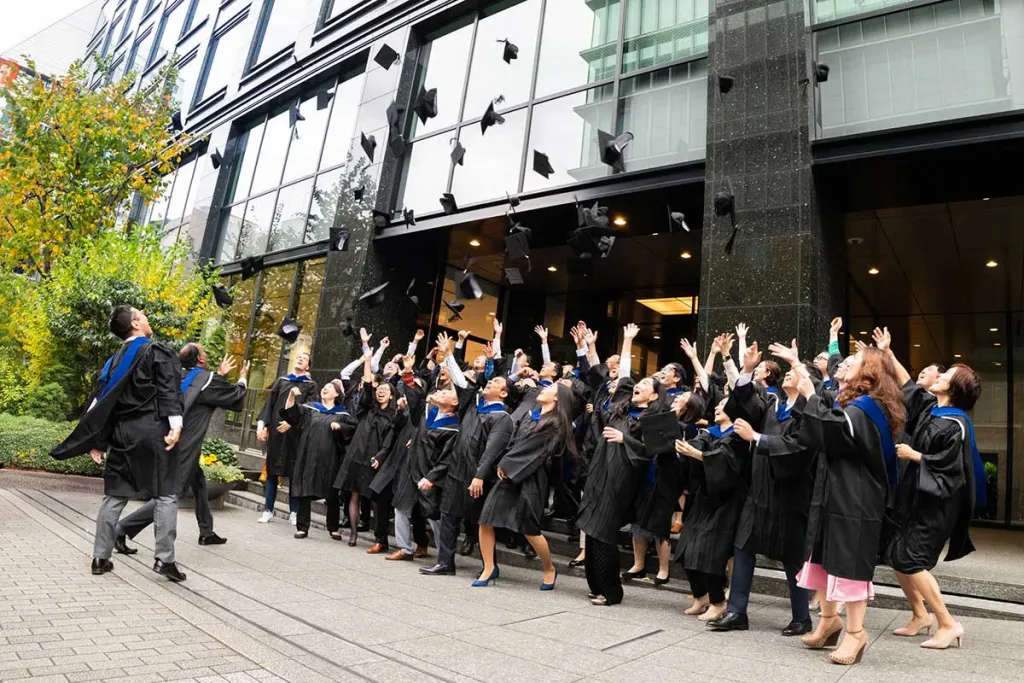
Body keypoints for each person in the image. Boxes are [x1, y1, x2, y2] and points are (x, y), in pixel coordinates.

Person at [791, 342, 905, 666]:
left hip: (856, 498)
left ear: (869, 372)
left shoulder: (867, 408)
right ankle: (829, 620)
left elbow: (831, 431)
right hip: (835, 492)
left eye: (855, 359)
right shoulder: (855, 402)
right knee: (825, 555)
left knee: (849, 562)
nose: (847, 362)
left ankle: (855, 633)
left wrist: (811, 394)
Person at [51, 305, 185, 581]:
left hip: (122, 435)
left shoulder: (113, 362)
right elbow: (168, 387)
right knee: (166, 493)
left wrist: (97, 442)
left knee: (114, 496)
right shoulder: (154, 350)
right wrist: (176, 424)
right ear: (135, 323)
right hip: (153, 432)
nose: (147, 318)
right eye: (142, 315)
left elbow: (100, 403)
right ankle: (164, 559)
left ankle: (101, 557)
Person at [877, 327, 976, 650]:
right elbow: (909, 386)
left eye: (946, 373)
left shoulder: (956, 423)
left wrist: (915, 455)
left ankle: (948, 623)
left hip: (938, 506)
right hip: (916, 499)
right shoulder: (933, 409)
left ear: (955, 388)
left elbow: (952, 468)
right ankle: (921, 616)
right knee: (896, 555)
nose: (939, 374)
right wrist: (889, 353)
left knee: (911, 559)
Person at [707, 339, 816, 635]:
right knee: (743, 546)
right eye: (792, 371)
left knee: (793, 558)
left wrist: (756, 438)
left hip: (789, 493)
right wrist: (747, 368)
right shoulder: (773, 402)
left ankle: (801, 617)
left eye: (799, 372)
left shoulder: (808, 413)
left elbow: (798, 447)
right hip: (759, 490)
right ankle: (737, 612)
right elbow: (745, 402)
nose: (793, 374)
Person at [116, 344, 249, 552]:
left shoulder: (180, 377)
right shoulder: (208, 380)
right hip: (185, 446)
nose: (206, 354)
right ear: (201, 360)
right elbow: (235, 398)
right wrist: (242, 378)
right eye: (204, 352)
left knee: (199, 482)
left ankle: (206, 532)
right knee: (171, 495)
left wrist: (220, 375)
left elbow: (205, 392)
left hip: (169, 438)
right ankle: (122, 529)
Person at [475, 380, 578, 589]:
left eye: (549, 388)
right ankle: (489, 567)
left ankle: (549, 567)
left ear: (557, 398)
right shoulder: (530, 415)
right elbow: (513, 441)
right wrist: (503, 462)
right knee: (486, 519)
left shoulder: (557, 423)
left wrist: (507, 463)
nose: (543, 389)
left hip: (532, 477)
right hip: (509, 471)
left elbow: (535, 450)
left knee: (529, 528)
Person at [422, 346, 514, 576]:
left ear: (503, 394)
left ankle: (490, 566)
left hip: (477, 477)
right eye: (489, 382)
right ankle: (445, 562)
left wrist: (480, 475)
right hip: (455, 472)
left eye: (494, 384)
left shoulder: (502, 418)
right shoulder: (473, 406)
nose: (489, 384)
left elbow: (492, 451)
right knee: (448, 516)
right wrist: (449, 355)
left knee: (480, 523)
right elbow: (461, 383)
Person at [387, 381, 461, 561]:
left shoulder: (453, 427)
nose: (442, 393)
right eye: (441, 392)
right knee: (401, 508)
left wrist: (432, 477)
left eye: (447, 393)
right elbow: (415, 401)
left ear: (455, 403)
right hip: (412, 469)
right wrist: (409, 376)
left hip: (430, 474)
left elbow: (447, 459)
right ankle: (405, 548)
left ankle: (445, 555)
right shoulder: (428, 412)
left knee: (434, 516)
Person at [335, 342, 397, 546]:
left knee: (375, 498)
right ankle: (353, 533)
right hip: (357, 454)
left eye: (386, 390)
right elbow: (369, 383)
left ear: (392, 395)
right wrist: (368, 361)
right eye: (380, 389)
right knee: (354, 495)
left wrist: (380, 458)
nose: (381, 392)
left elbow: (390, 441)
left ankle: (379, 538)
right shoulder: (366, 408)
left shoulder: (393, 416)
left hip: (375, 458)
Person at [282, 379, 357, 539]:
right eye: (324, 386)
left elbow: (352, 430)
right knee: (305, 491)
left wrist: (341, 427)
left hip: (330, 459)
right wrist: (291, 397)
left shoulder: (342, 414)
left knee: (332, 494)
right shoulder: (310, 409)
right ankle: (302, 527)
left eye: (330, 388)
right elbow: (293, 415)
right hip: (308, 456)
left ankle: (333, 528)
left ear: (337, 394)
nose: (325, 389)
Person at [256, 351, 318, 524]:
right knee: (272, 472)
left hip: (296, 434)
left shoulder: (310, 385)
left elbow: (310, 409)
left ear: (308, 366)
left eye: (304, 359)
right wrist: (262, 425)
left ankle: (294, 512)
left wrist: (292, 422)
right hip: (277, 433)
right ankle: (268, 509)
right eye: (299, 357)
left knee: (294, 474)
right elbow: (269, 405)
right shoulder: (282, 381)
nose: (300, 359)